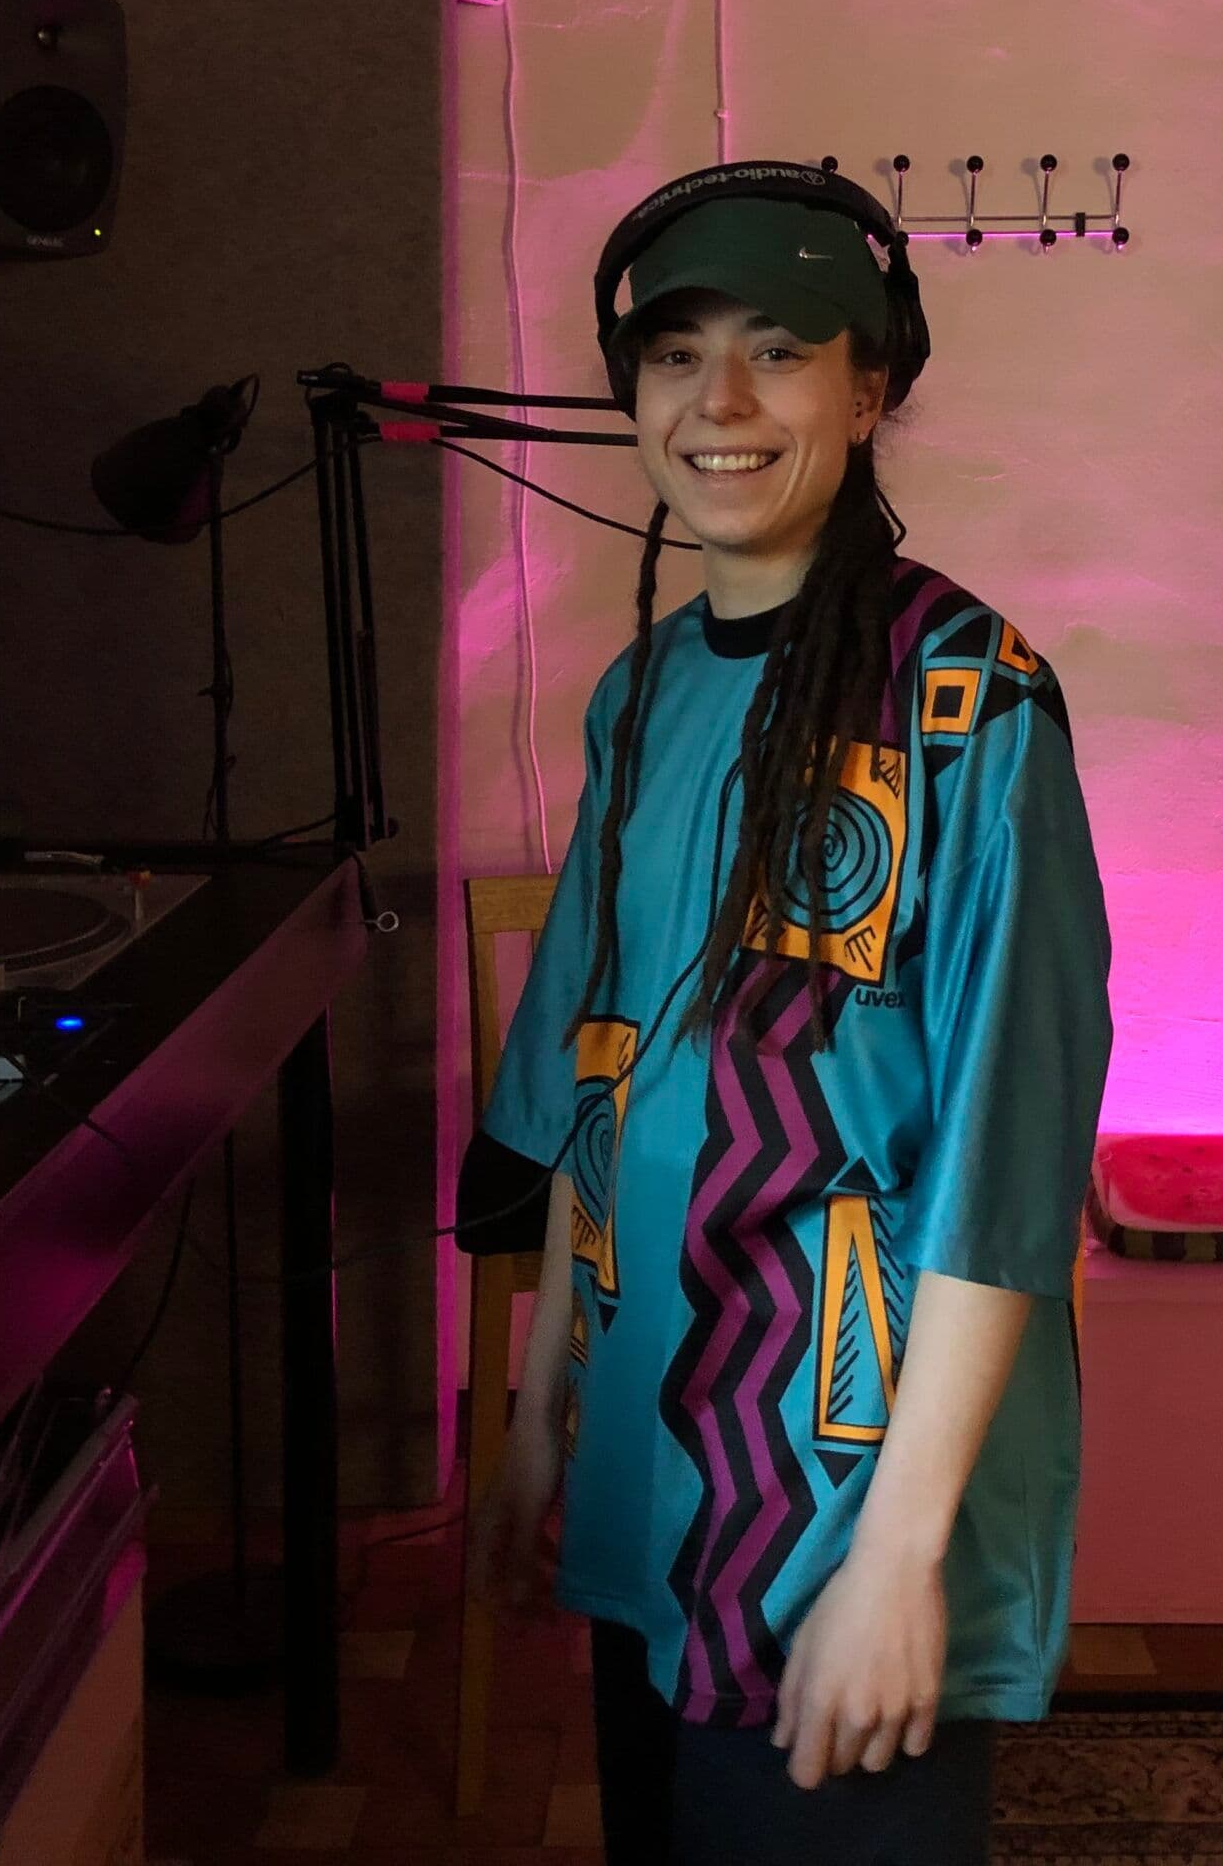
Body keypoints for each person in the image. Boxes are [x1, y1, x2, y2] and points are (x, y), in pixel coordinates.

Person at [463, 162, 1112, 1866]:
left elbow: (1008, 1163)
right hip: (642, 1450)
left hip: (839, 1489)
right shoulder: (640, 694)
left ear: (869, 387)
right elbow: (594, 1077)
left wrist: (899, 1553)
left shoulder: (972, 699)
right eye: (677, 356)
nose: (721, 404)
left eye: (779, 350)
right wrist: (535, 1420)